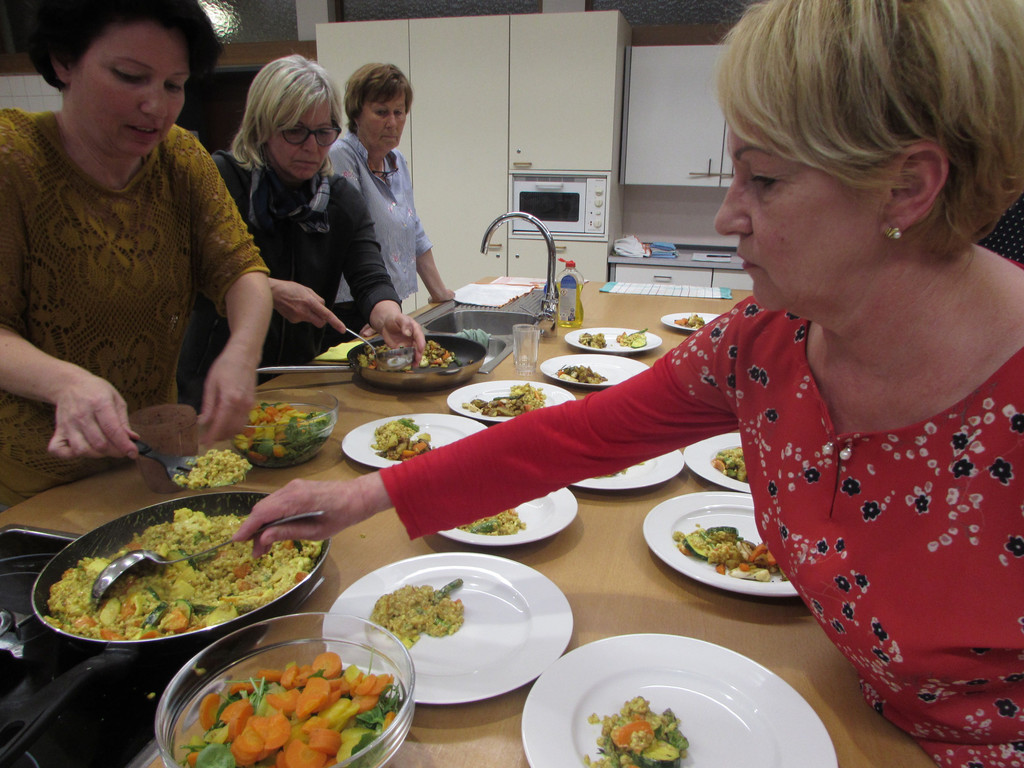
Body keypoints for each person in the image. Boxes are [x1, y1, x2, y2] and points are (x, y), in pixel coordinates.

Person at [236, 0, 1024, 764]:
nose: (726, 216)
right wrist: (364, 497)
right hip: (859, 712)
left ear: (907, 187)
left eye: (764, 180)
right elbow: (575, 436)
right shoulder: (763, 341)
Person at [0, 0, 273, 507]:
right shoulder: (13, 160)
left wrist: (242, 352)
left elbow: (242, 270)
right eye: (130, 77)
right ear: (64, 61)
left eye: (174, 85)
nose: (157, 106)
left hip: (149, 464)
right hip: (30, 485)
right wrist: (63, 382)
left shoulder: (180, 160)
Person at [176, 55, 424, 408]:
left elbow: (370, 278)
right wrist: (269, 289)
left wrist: (389, 317)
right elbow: (187, 271)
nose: (312, 147)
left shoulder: (341, 199)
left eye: (323, 133)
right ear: (262, 126)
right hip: (215, 381)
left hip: (297, 378)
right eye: (295, 131)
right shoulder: (221, 180)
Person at [324, 62, 454, 339]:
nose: (392, 122)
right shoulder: (341, 156)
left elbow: (414, 229)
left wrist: (439, 293)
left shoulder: (397, 161)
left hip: (387, 305)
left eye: (399, 112)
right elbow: (356, 236)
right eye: (381, 112)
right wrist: (376, 312)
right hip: (350, 310)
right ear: (357, 114)